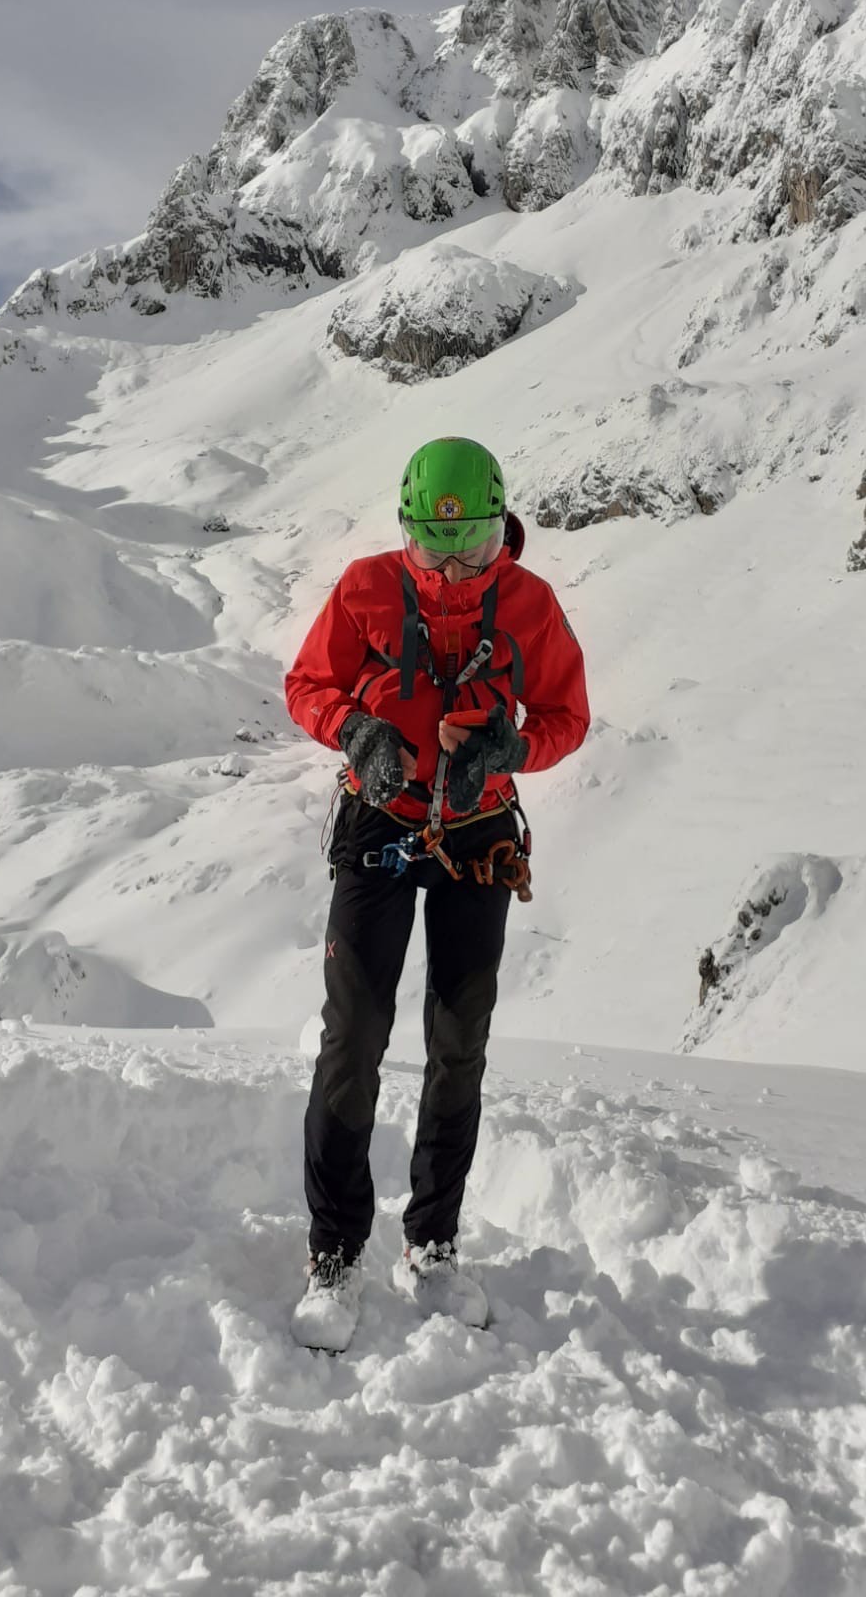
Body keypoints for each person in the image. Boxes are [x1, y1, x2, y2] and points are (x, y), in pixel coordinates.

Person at [284, 436, 590, 1346]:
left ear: (506, 529)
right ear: (406, 531)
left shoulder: (531, 606)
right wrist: (356, 731)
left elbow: (567, 715)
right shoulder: (365, 587)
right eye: (435, 546)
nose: (455, 565)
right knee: (355, 1034)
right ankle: (334, 1253)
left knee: (459, 1043)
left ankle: (433, 1243)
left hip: (477, 829)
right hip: (379, 822)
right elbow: (308, 683)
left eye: (478, 544)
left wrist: (514, 749)